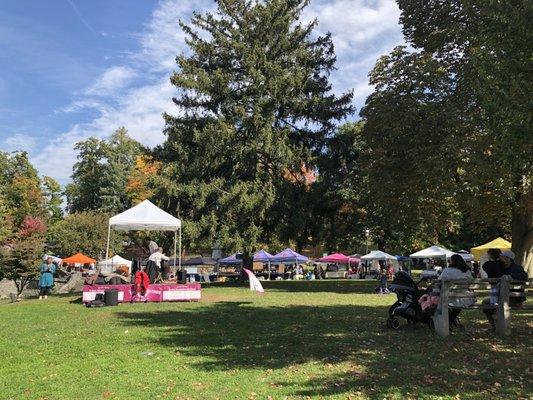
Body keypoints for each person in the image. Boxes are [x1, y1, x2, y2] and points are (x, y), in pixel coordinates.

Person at [483, 250, 527, 328]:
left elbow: (523, 276)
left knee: (488, 303)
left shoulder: (517, 268)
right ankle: (495, 325)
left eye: (501, 257)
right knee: (487, 302)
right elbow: (486, 266)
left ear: (507, 258)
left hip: (514, 298)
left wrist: (508, 276)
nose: (499, 258)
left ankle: (496, 324)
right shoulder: (500, 267)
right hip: (503, 296)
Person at [438, 254, 475, 330]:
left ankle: (450, 320)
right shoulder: (467, 271)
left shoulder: (447, 270)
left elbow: (439, 281)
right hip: (465, 298)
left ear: (452, 261)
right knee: (458, 303)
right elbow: (471, 283)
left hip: (449, 297)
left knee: (443, 299)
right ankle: (452, 319)